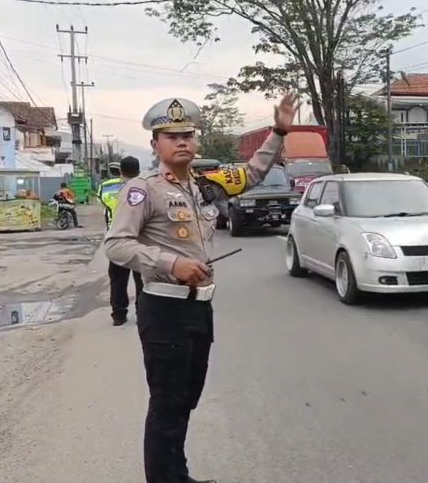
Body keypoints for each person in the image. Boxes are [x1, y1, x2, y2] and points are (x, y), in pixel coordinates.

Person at [104, 95, 299, 483]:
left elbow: (255, 171)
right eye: (171, 135)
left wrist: (279, 131)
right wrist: (171, 263)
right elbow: (116, 244)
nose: (182, 142)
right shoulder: (142, 190)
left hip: (199, 308)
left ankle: (178, 475)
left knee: (186, 400)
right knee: (167, 403)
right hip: (164, 309)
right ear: (155, 143)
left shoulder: (206, 186)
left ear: (197, 141)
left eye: (188, 135)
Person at [99, 156, 144, 326]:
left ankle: (118, 315)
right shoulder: (145, 186)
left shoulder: (106, 186)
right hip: (139, 238)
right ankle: (142, 312)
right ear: (138, 170)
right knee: (141, 278)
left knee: (117, 280)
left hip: (116, 237)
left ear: (120, 171)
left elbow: (103, 205)